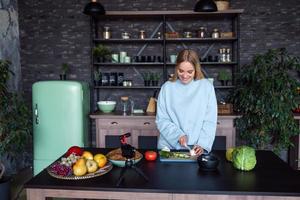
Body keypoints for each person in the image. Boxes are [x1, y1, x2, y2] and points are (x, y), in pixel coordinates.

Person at [155, 49, 217, 156]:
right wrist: (178, 135)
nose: (184, 76)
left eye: (190, 72)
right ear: (176, 68)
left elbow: (209, 121)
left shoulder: (207, 87)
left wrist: (202, 144)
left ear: (196, 69)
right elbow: (162, 120)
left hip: (196, 148)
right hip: (169, 148)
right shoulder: (167, 88)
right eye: (181, 71)